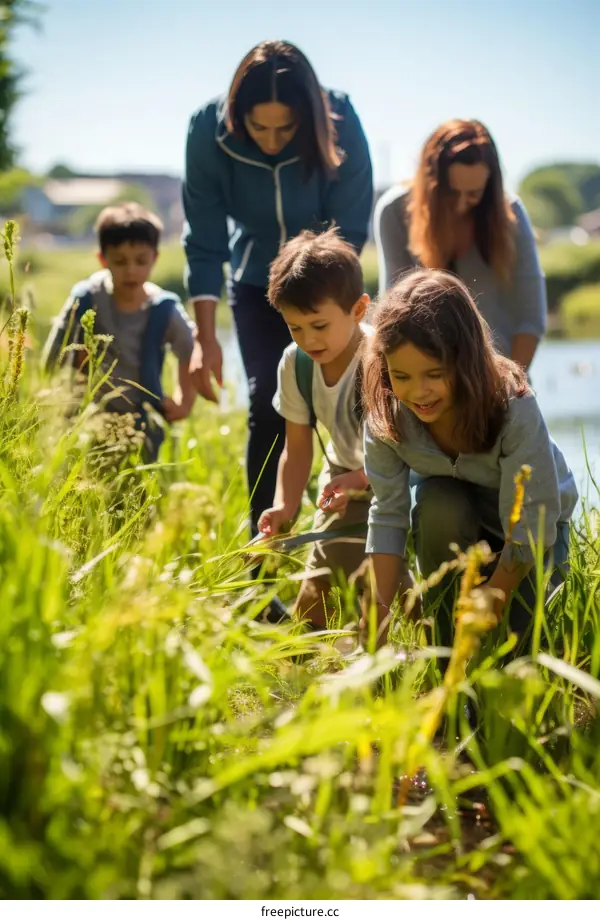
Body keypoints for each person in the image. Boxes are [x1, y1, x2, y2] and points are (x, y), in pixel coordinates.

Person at [183, 39, 373, 536]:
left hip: (329, 284)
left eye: (285, 128)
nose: (271, 140)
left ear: (308, 116)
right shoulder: (207, 130)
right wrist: (205, 340)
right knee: (266, 400)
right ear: (236, 115)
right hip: (254, 283)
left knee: (358, 406)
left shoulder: (341, 120)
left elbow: (351, 226)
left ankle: (363, 541)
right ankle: (262, 568)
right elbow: (204, 240)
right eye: (258, 127)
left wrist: (332, 309)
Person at [361, 270, 577, 649]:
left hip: (533, 537)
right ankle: (444, 651)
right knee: (437, 503)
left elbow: (533, 522)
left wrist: (490, 600)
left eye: (435, 374)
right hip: (456, 523)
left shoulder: (513, 406)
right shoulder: (388, 416)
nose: (418, 391)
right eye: (401, 375)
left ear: (466, 361)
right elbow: (388, 513)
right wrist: (377, 610)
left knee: (518, 652)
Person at [257, 229, 411, 629]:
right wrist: (285, 509)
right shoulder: (297, 363)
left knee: (399, 598)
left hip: (399, 483)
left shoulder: (382, 360)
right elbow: (297, 449)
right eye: (295, 328)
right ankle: (308, 672)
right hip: (343, 479)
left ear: (359, 310)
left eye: (319, 325)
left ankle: (401, 657)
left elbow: (405, 449)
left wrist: (359, 481)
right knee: (313, 600)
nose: (308, 339)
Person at [374, 120, 546, 370]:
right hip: (425, 383)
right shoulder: (394, 212)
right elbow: (392, 315)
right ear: (430, 183)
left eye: (474, 194)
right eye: (452, 192)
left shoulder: (511, 214)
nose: (461, 204)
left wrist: (507, 385)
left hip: (500, 378)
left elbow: (530, 318)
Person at [43, 203, 196, 461]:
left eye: (140, 261)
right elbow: (54, 351)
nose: (131, 270)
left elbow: (189, 348)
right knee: (83, 481)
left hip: (141, 416)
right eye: (120, 261)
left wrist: (184, 400)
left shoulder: (162, 308)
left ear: (155, 258)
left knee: (138, 487)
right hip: (86, 415)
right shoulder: (86, 297)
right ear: (103, 260)